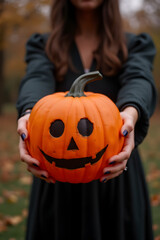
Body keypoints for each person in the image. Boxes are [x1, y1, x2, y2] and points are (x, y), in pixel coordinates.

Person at [16, 0, 157, 239]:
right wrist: (29, 114)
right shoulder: (43, 45)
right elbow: (36, 79)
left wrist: (130, 112)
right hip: (56, 176)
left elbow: (139, 79)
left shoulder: (134, 44)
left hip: (114, 170)